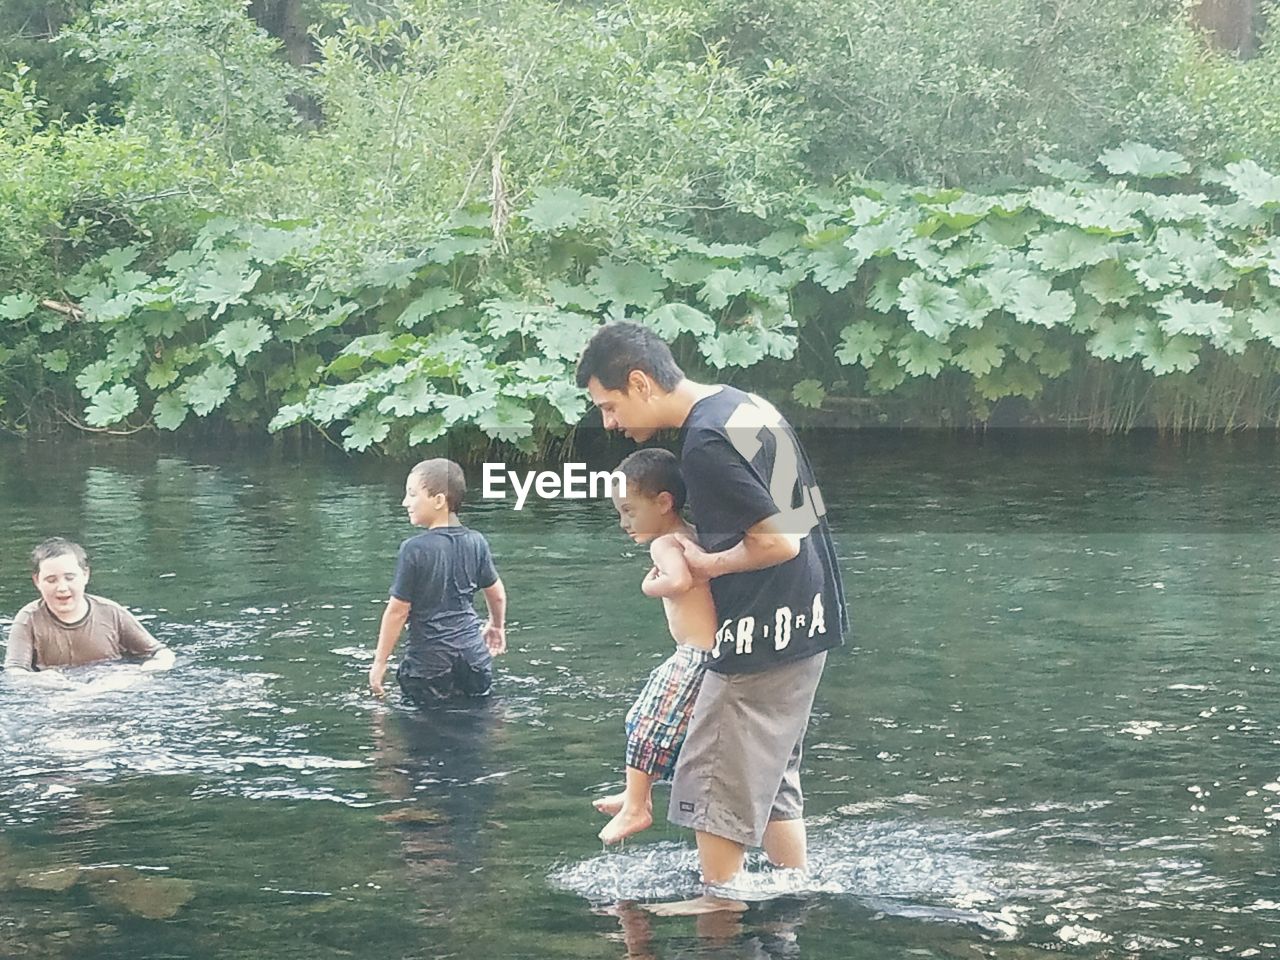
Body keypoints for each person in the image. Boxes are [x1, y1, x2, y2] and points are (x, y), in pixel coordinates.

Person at [576, 322, 847, 915]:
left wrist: (702, 563)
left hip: (759, 636)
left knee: (716, 770)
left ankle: (719, 903)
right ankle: (790, 891)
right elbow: (805, 515)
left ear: (641, 382)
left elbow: (779, 543)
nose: (609, 423)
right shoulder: (746, 406)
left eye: (610, 405)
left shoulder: (703, 441)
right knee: (771, 778)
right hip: (809, 623)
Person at [593, 448, 715, 844]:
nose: (623, 522)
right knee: (642, 718)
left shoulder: (664, 544)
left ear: (664, 503)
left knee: (646, 723)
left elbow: (678, 582)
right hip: (703, 653)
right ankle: (635, 795)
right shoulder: (690, 534)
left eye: (629, 510)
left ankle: (637, 808)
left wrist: (648, 586)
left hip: (695, 654)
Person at [369, 458, 507, 706]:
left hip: (429, 664)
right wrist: (497, 626)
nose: (405, 502)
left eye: (412, 494)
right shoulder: (477, 541)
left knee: (424, 733)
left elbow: (398, 612)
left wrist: (380, 663)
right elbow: (496, 593)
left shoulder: (414, 549)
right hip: (474, 658)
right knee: (477, 726)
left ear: (439, 500)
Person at [4, 537, 176, 689]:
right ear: (37, 581)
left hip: (112, 687)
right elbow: (15, 672)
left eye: (70, 578)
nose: (62, 588)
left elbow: (162, 653)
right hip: (56, 694)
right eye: (51, 580)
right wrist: (41, 680)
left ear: (85, 575)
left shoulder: (111, 612)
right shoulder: (28, 619)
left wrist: (143, 672)